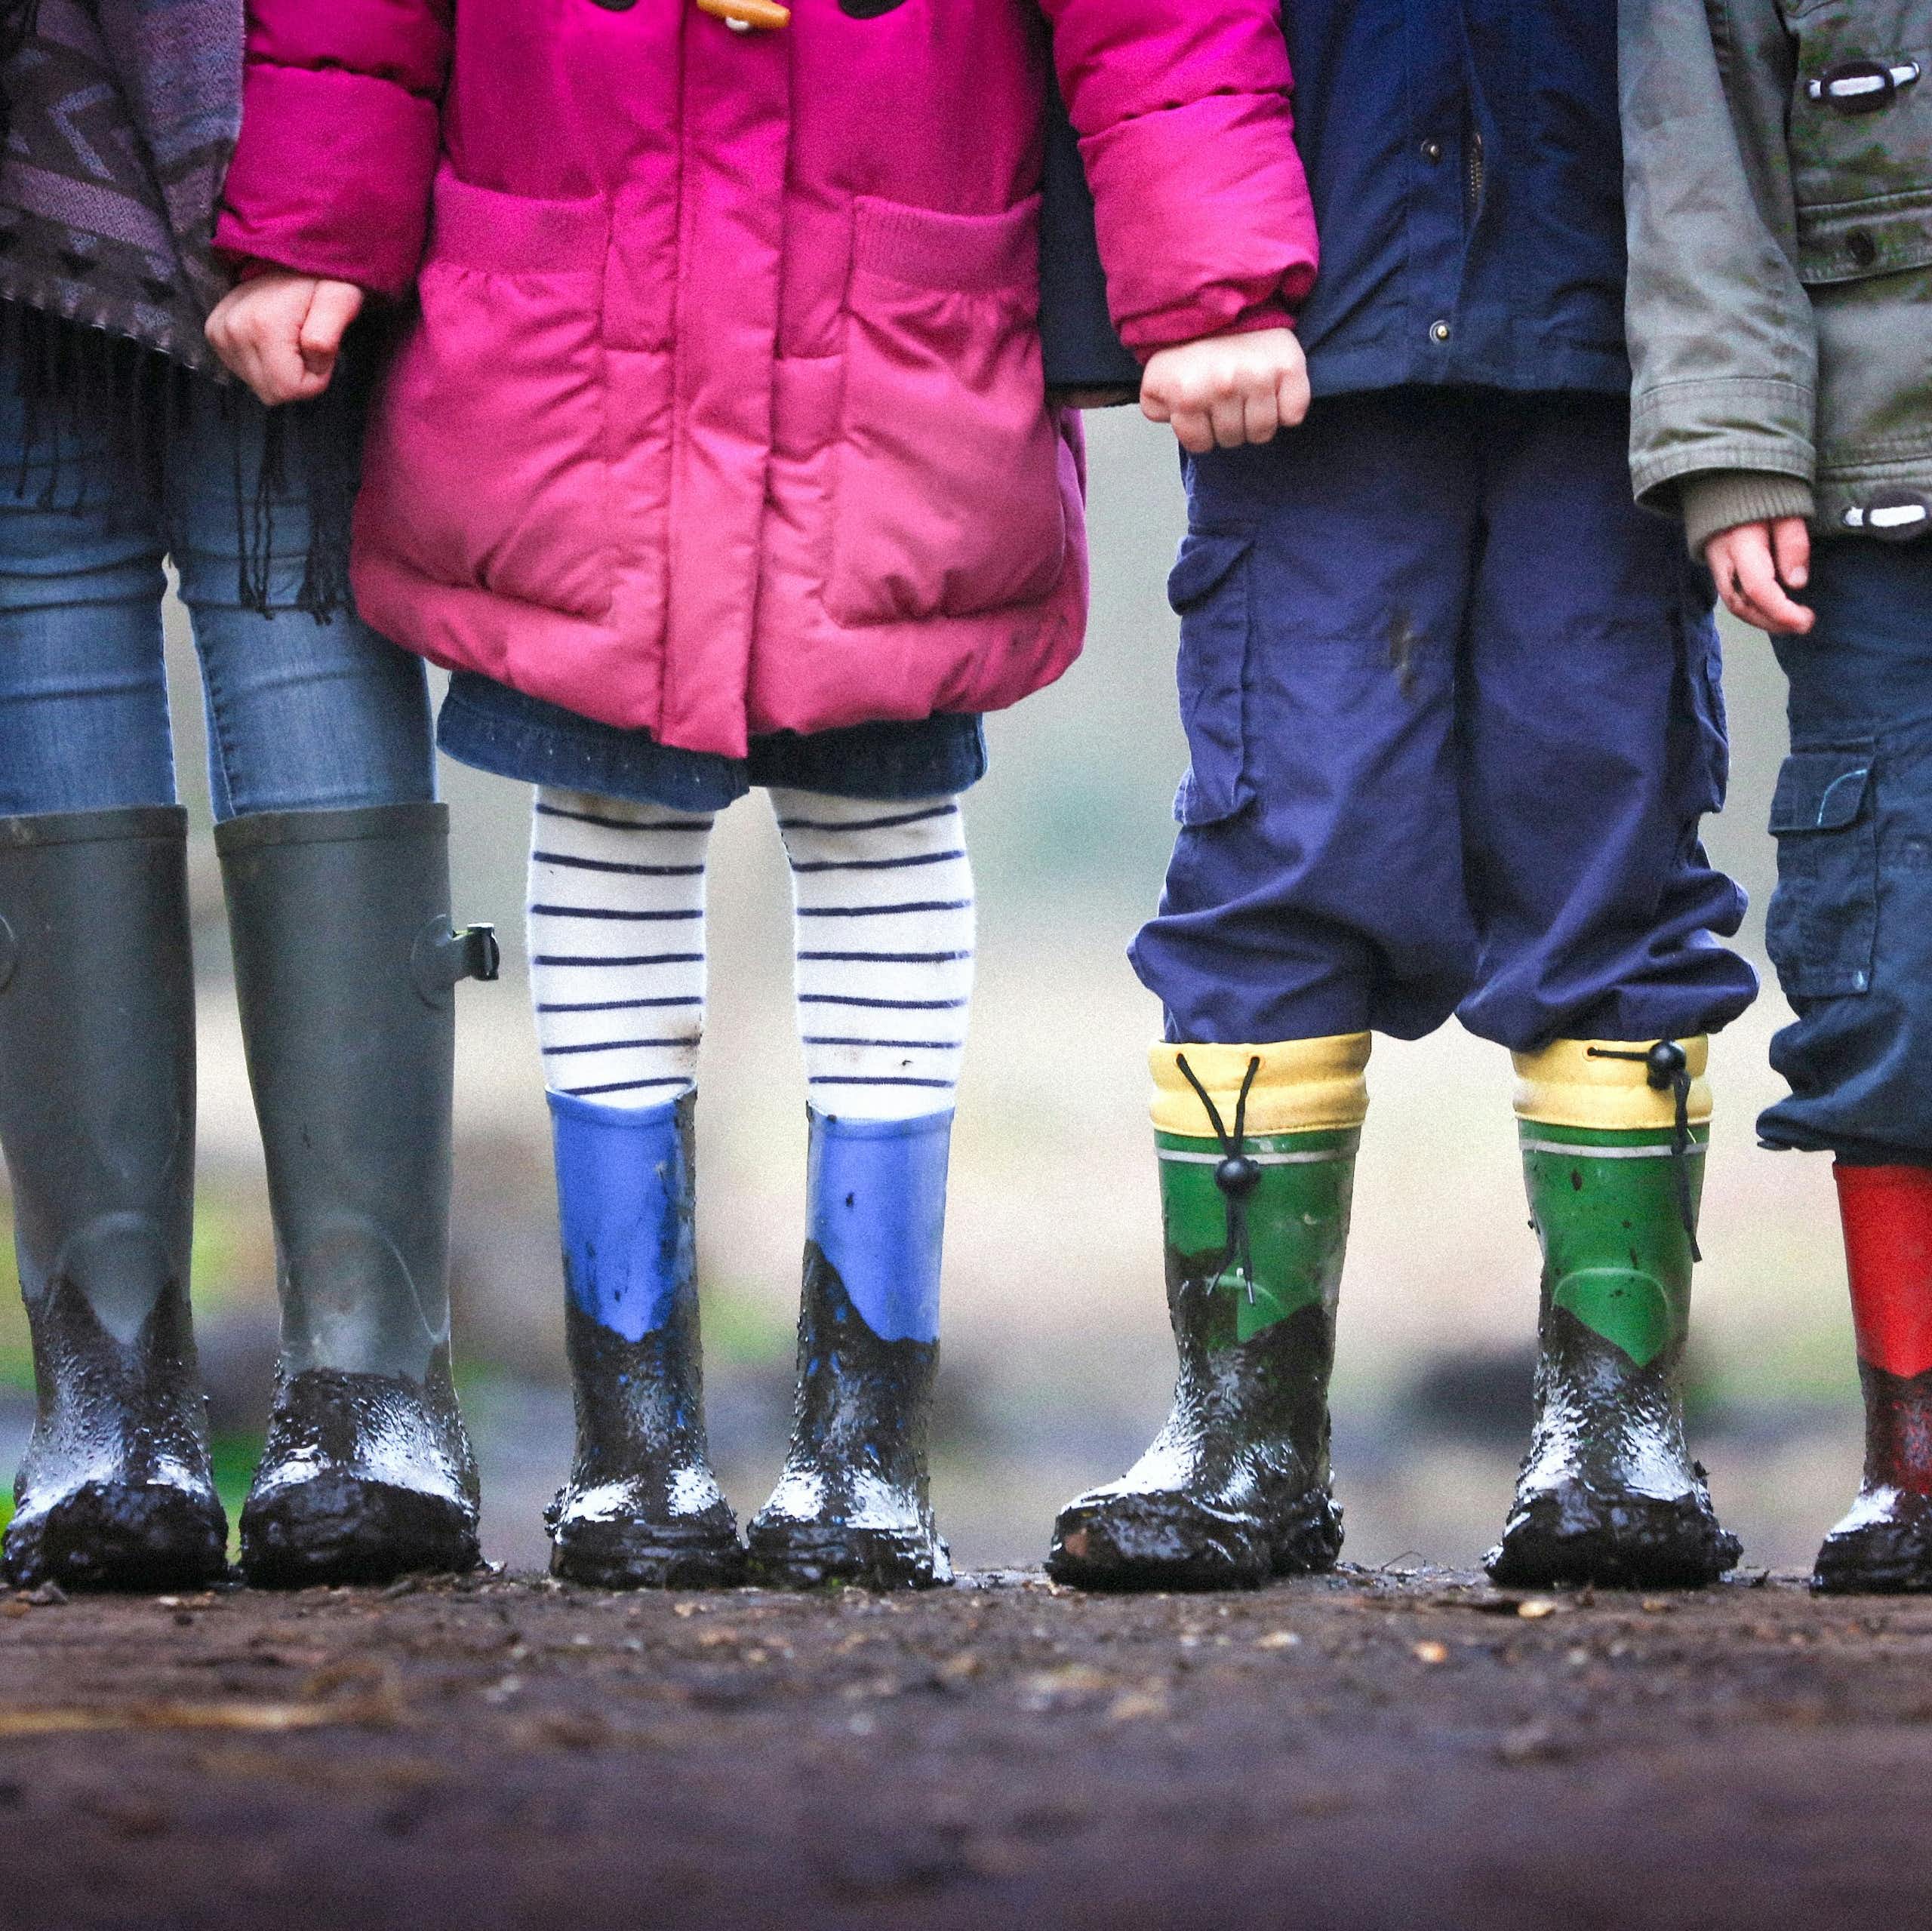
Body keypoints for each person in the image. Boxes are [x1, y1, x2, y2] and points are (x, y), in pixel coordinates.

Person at [204, 0, 1318, 1591]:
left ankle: (865, 1450)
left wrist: (1207, 278)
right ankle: (631, 1447)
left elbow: (1163, 26)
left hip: (890, 341)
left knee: (876, 833)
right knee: (606, 819)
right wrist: (314, 218)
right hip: (574, 334)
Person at [1049, 0, 1761, 1594]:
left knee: (1615, 852)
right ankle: (1241, 1426)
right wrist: (1190, 272)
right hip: (1296, 326)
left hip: (1625, 319)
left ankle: (1611, 1416)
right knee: (1278, 849)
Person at [0, 0, 495, 1591]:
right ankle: (106, 1393)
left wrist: (328, 198)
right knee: (46, 647)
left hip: (280, 177)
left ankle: (369, 1378)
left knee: (289, 644)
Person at [1622, 0, 1932, 1592]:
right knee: (1884, 964)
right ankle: (1912, 1454)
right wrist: (1736, 458)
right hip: (1878, 512)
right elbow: (1704, 182)